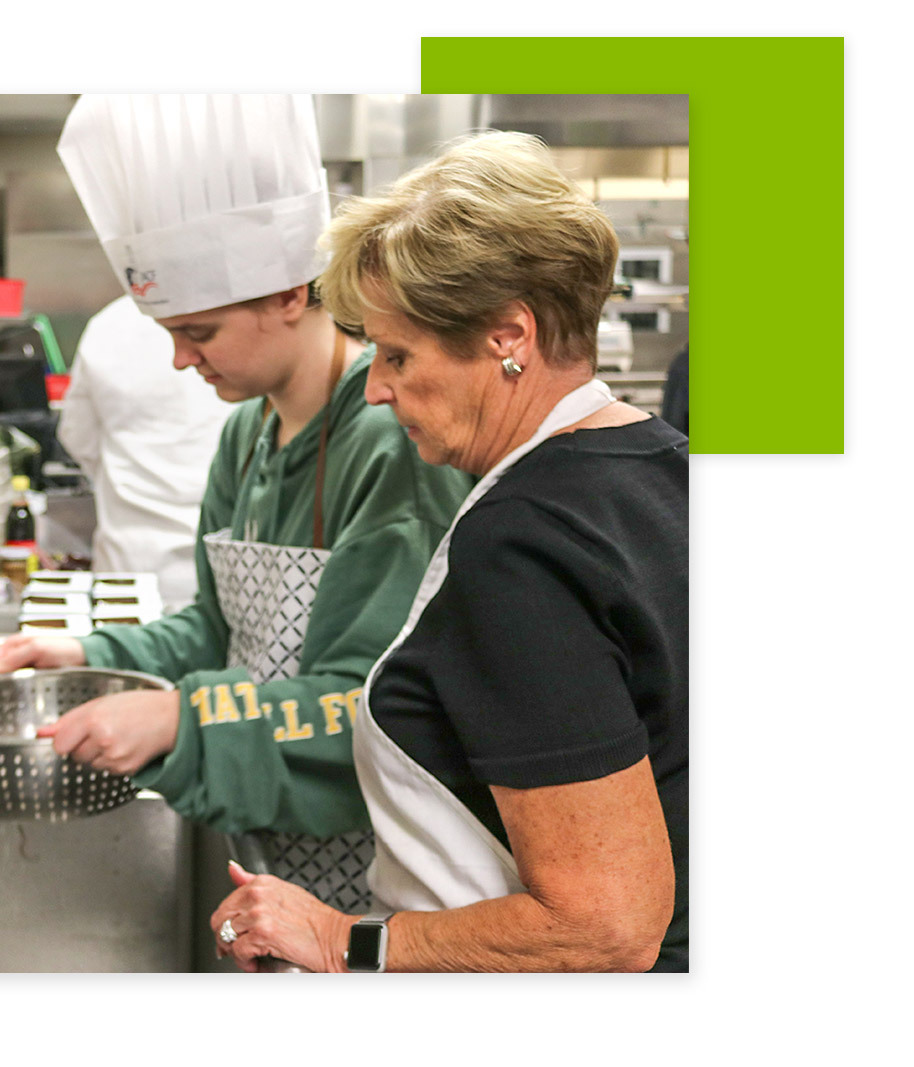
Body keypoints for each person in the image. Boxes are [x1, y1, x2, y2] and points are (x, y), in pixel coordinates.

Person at [209, 131, 688, 971]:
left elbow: (606, 926)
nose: (378, 384)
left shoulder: (522, 544)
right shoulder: (663, 461)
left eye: (398, 354)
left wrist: (338, 938)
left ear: (509, 338)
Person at [0, 95, 473, 842]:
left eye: (198, 331)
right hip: (265, 831)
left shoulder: (390, 443)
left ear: (286, 294)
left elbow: (376, 706)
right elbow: (218, 629)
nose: (181, 358)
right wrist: (91, 654)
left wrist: (183, 720)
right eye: (169, 334)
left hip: (368, 863)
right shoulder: (248, 431)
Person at [55, 294, 235, 613]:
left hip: (126, 569)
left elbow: (78, 436)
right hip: (220, 571)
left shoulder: (111, 323)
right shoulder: (234, 316)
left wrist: (123, 478)